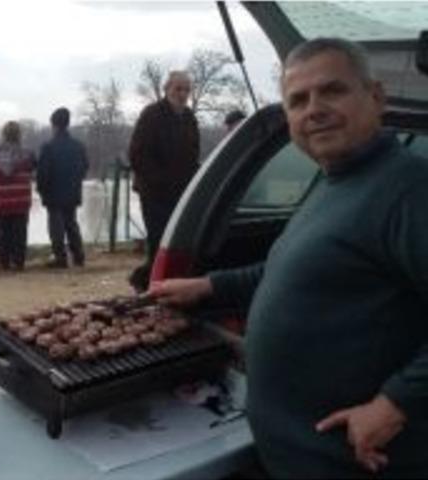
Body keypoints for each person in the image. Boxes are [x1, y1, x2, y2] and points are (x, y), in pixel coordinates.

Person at [147, 38, 428, 477]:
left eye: (332, 90)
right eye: (298, 100)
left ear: (375, 97)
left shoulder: (411, 190)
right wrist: (208, 286)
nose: (313, 109)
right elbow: (289, 271)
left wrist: (394, 403)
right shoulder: (335, 182)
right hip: (288, 454)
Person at [128, 71, 200, 290]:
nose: (182, 94)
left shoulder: (189, 117)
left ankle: (149, 280)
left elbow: (193, 153)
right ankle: (149, 283)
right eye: (178, 89)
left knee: (176, 240)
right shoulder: (151, 114)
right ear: (167, 89)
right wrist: (159, 180)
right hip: (154, 192)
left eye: (186, 89)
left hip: (180, 191)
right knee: (158, 238)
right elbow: (137, 153)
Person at [36, 107, 89, 268]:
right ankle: (78, 255)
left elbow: (42, 173)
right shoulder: (78, 146)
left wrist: (41, 190)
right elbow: (85, 167)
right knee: (71, 223)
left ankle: (60, 257)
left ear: (54, 125)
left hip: (53, 193)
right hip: (72, 191)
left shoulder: (48, 147)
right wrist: (75, 181)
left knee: (56, 227)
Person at [0, 121, 35, 271]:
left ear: (3, 134)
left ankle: (4, 263)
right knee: (20, 231)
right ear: (19, 134)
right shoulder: (28, 153)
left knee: (1, 231)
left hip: (0, 199)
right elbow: (32, 169)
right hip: (21, 198)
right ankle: (19, 262)